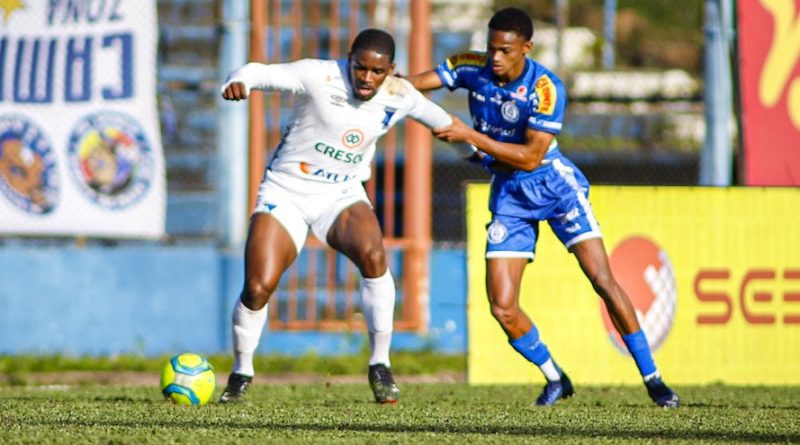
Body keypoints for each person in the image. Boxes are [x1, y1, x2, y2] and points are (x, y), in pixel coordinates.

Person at [405, 7, 680, 408]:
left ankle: (653, 380)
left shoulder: (546, 89)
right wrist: (384, 83)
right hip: (509, 195)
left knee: (602, 279)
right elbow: (414, 85)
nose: (495, 57)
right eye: (491, 48)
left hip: (554, 186)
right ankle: (556, 378)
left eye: (505, 50)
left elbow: (532, 157)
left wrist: (469, 136)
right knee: (502, 307)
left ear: (526, 48)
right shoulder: (470, 66)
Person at [217, 29, 462, 405]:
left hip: (341, 194)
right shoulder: (319, 74)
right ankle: (242, 372)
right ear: (349, 60)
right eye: (359, 67)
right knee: (258, 286)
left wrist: (479, 151)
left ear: (391, 70)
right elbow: (258, 72)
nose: (366, 78)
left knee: (374, 255)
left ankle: (380, 365)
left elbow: (446, 124)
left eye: (377, 71)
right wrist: (239, 81)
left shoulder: (401, 94)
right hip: (286, 192)